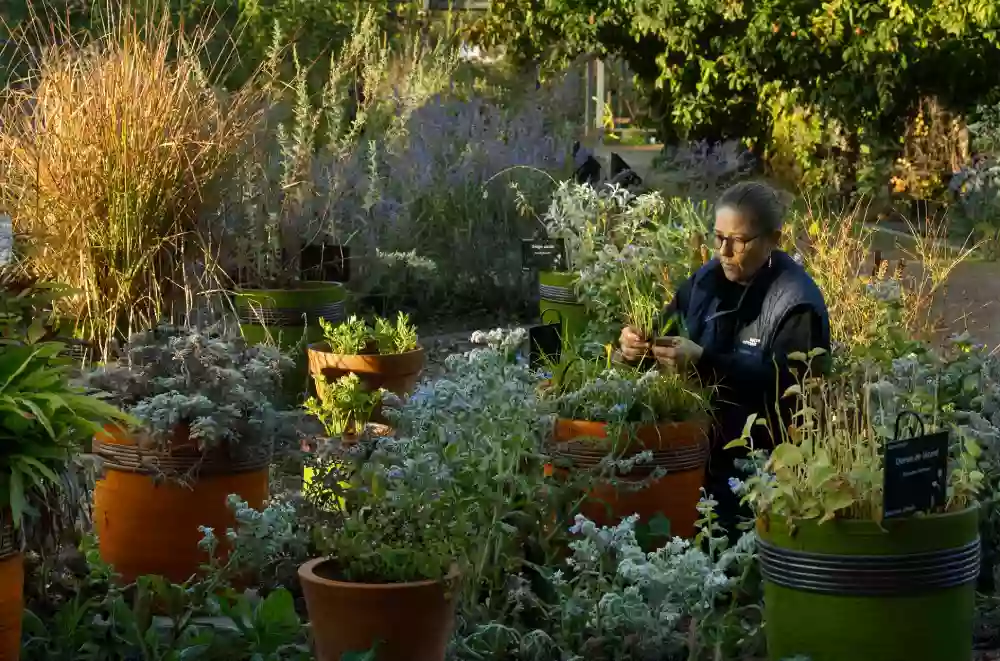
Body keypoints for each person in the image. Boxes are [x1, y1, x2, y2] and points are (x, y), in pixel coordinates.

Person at [618, 181, 831, 535]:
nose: (724, 251)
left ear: (773, 239)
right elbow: (663, 331)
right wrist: (635, 346)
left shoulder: (796, 302)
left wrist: (703, 363)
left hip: (761, 475)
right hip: (696, 457)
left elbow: (787, 388)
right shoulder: (705, 280)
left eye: (738, 240)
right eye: (717, 237)